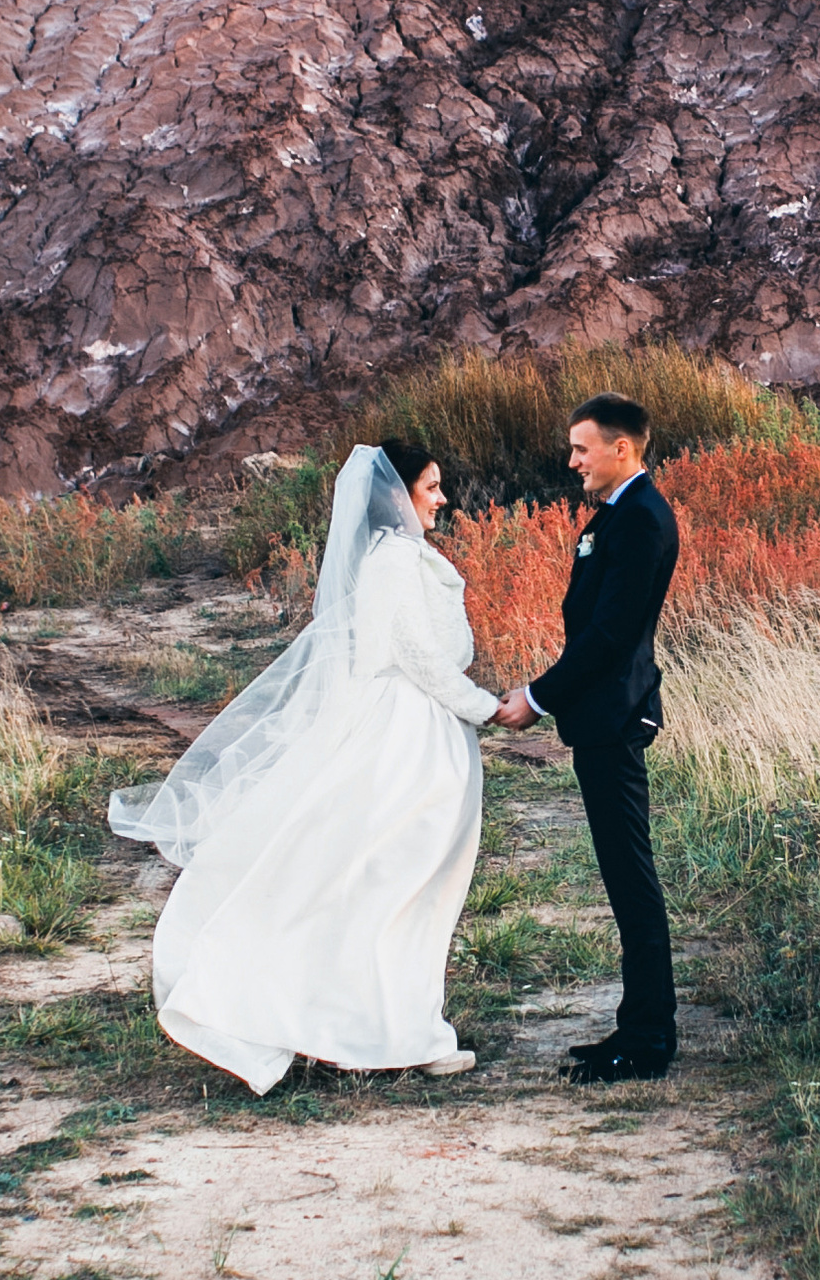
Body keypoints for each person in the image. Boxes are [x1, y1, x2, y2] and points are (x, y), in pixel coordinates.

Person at [108, 439, 499, 1093]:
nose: (441, 498)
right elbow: (420, 659)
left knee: (391, 883)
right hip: (402, 738)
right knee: (395, 881)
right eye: (430, 486)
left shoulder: (394, 558)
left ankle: (389, 1026)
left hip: (407, 727)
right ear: (398, 496)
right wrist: (489, 708)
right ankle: (377, 1028)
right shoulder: (397, 563)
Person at [491, 394, 681, 1084]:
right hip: (604, 717)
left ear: (621, 448)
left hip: (617, 717)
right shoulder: (616, 515)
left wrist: (538, 699)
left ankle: (649, 1040)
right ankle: (639, 1029)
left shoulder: (641, 520)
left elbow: (609, 636)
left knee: (632, 879)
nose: (572, 461)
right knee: (623, 876)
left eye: (581, 448)